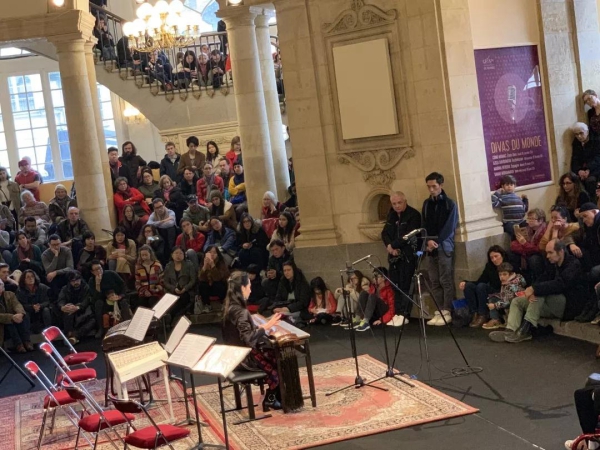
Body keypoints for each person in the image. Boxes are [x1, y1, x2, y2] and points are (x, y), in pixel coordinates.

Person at [490, 240, 586, 343]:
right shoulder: (553, 264)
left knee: (539, 293)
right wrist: (531, 289)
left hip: (567, 305)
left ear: (561, 251)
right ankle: (510, 330)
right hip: (550, 303)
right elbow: (543, 278)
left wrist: (534, 289)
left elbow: (560, 284)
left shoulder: (573, 264)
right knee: (517, 301)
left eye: (550, 252)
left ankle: (525, 331)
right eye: (547, 253)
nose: (547, 256)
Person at [221, 271, 283, 410]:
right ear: (242, 288)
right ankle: (272, 398)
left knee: (273, 354)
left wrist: (262, 327)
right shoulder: (241, 311)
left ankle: (277, 397)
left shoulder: (229, 307)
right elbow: (248, 339)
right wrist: (266, 326)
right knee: (280, 357)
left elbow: (242, 333)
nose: (250, 289)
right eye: (249, 286)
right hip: (244, 360)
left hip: (233, 355)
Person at [422, 172, 458, 326]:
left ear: (441, 185)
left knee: (445, 279)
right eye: (429, 187)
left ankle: (447, 310)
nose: (431, 190)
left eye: (434, 186)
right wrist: (427, 242)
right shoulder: (426, 204)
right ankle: (438, 310)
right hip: (430, 247)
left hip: (444, 245)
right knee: (434, 280)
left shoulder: (450, 204)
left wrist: (435, 241)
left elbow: (449, 227)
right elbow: (424, 224)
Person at [381, 191, 421, 320]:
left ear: (405, 201)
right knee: (394, 284)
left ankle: (404, 313)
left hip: (407, 255)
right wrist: (389, 246)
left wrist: (394, 245)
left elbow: (408, 235)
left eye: (399, 203)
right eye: (394, 204)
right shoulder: (392, 215)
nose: (397, 206)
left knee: (406, 285)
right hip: (394, 256)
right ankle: (397, 313)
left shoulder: (413, 214)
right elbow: (385, 233)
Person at [459, 245, 506, 328]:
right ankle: (474, 313)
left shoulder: (508, 265)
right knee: (469, 286)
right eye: (492, 258)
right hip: (492, 289)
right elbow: (481, 281)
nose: (494, 259)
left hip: (503, 290)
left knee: (482, 286)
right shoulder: (490, 266)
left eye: (496, 256)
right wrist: (465, 282)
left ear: (502, 255)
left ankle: (482, 314)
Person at [89, 260, 131, 338]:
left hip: (117, 296)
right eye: (96, 270)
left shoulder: (111, 274)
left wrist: (120, 296)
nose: (99, 271)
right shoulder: (92, 281)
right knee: (98, 303)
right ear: (92, 272)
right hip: (104, 301)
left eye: (99, 268)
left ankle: (128, 325)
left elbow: (123, 285)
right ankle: (101, 328)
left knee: (124, 302)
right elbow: (95, 297)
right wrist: (98, 284)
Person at [483, 262, 526, 330]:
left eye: (504, 274)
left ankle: (496, 320)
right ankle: (498, 320)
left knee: (493, 301)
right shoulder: (508, 282)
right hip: (511, 304)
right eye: (500, 275)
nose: (502, 277)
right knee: (493, 297)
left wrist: (495, 305)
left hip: (515, 307)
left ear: (510, 274)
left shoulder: (511, 286)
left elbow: (508, 302)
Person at [509, 208, 548, 282]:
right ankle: (520, 280)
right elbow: (513, 245)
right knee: (511, 254)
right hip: (528, 252)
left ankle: (538, 282)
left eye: (532, 219)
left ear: (541, 220)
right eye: (528, 218)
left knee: (534, 259)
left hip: (541, 255)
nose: (529, 221)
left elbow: (538, 249)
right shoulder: (527, 229)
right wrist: (524, 246)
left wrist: (524, 244)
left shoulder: (544, 231)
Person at [58, 270, 95, 344]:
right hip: (69, 311)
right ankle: (69, 335)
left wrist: (77, 307)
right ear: (69, 281)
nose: (76, 282)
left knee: (93, 321)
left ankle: (74, 336)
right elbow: (60, 300)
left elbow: (86, 301)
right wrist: (63, 307)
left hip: (83, 311)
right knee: (68, 312)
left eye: (77, 280)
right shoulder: (65, 289)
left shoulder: (86, 287)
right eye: (73, 281)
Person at [356, 267, 396, 331]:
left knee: (373, 296)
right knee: (363, 293)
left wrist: (382, 320)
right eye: (373, 277)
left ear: (383, 278)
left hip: (383, 312)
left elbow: (392, 309)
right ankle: (358, 319)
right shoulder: (373, 287)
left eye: (376, 277)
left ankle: (366, 321)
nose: (374, 279)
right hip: (374, 312)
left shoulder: (389, 290)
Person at [163, 246, 196, 321]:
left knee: (183, 298)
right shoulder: (168, 266)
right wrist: (174, 289)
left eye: (181, 253)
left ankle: (171, 316)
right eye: (176, 253)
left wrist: (185, 288)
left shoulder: (189, 265)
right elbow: (166, 282)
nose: (178, 255)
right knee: (172, 299)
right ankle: (171, 317)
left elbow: (193, 280)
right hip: (173, 291)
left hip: (186, 291)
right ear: (172, 255)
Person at [0, 279, 31, 353]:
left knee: (25, 316)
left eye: (0, 285)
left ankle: (27, 342)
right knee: (10, 323)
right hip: (3, 324)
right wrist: (11, 317)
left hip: (14, 318)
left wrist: (20, 313)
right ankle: (19, 345)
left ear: (3, 287)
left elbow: (17, 304)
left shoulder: (10, 294)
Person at [571, 122, 600, 199]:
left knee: (590, 181)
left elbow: (598, 157)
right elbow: (575, 159)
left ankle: (592, 203)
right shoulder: (576, 142)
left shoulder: (596, 139)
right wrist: (579, 171)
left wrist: (588, 169)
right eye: (576, 134)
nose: (579, 136)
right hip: (582, 170)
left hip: (595, 169)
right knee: (573, 180)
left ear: (587, 131)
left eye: (581, 133)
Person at [198, 245, 230, 313]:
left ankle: (223, 303)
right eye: (210, 252)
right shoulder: (203, 262)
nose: (212, 254)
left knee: (219, 284)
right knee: (202, 285)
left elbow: (218, 278)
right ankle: (206, 305)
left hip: (219, 287)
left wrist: (213, 265)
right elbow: (200, 278)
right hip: (208, 287)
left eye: (214, 253)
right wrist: (204, 267)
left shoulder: (221, 263)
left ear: (218, 255)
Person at [261, 240, 291, 308]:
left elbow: (289, 272)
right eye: (273, 250)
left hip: (286, 279)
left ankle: (282, 301)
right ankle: (272, 301)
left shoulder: (289, 257)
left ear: (283, 248)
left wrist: (277, 274)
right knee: (265, 282)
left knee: (282, 281)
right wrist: (268, 273)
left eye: (276, 249)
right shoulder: (272, 259)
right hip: (275, 279)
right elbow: (269, 268)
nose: (275, 252)